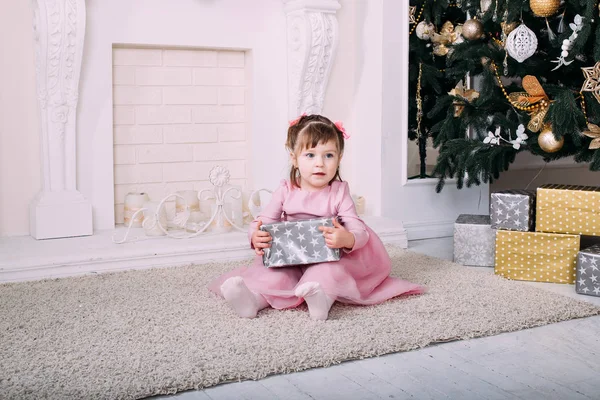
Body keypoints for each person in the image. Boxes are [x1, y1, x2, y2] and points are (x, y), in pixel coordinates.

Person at [208, 114, 424, 320]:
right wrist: (255, 235)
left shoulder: (339, 191)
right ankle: (252, 301)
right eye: (310, 155)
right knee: (274, 275)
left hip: (328, 255)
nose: (319, 163)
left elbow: (358, 230)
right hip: (291, 256)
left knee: (328, 273)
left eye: (328, 155)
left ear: (339, 159)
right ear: (294, 158)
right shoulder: (286, 190)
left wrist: (346, 239)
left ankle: (320, 301)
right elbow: (263, 221)